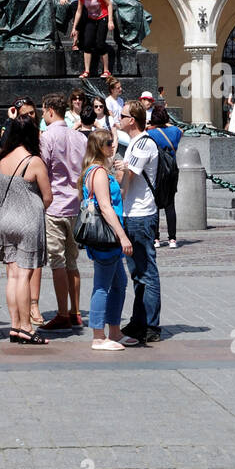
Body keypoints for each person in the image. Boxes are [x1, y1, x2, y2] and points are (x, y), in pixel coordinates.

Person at [0, 118, 52, 344]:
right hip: (28, 221)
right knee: (24, 276)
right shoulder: (34, 161)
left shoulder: (2, 160)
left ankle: (15, 326)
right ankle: (26, 327)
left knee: (12, 274)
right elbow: (47, 196)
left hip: (7, 220)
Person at [80, 129, 133, 350]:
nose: (114, 146)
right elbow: (105, 206)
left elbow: (120, 196)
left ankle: (115, 330)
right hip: (106, 235)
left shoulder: (103, 170)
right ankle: (98, 335)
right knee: (102, 285)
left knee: (119, 283)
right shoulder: (98, 172)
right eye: (109, 143)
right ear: (99, 147)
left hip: (109, 234)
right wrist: (123, 236)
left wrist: (127, 175)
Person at [39, 94, 88, 330]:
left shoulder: (46, 137)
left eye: (43, 111)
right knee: (72, 260)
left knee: (56, 260)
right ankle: (76, 311)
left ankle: (61, 313)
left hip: (55, 205)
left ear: (50, 111)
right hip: (75, 205)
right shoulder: (80, 137)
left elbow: (42, 170)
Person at [115, 98, 161, 346]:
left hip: (142, 214)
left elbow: (128, 176)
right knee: (137, 271)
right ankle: (139, 319)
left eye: (121, 116)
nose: (118, 119)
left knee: (147, 271)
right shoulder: (132, 142)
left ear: (132, 120)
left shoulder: (143, 144)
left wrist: (120, 167)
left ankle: (150, 324)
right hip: (132, 213)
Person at [148, 103, 183, 248]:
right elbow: (180, 130)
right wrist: (164, 121)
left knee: (155, 205)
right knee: (170, 205)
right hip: (172, 171)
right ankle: (172, 239)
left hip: (157, 171)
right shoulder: (175, 131)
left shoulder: (150, 133)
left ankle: (156, 238)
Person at [72, 0, 115, 79]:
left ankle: (106, 70)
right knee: (87, 43)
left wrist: (110, 20)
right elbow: (79, 11)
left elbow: (109, 4)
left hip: (102, 17)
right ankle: (87, 71)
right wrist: (74, 28)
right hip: (91, 18)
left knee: (100, 44)